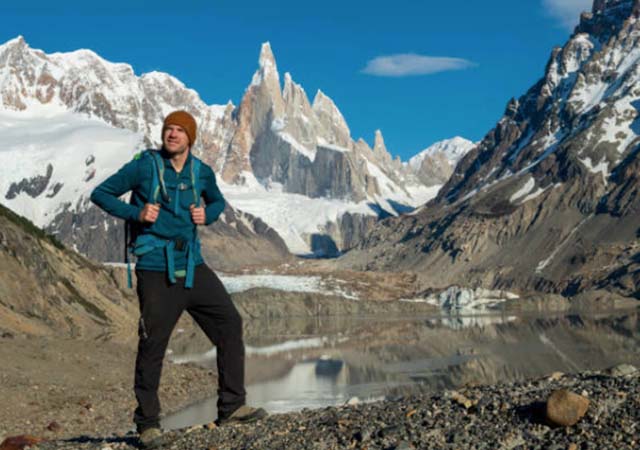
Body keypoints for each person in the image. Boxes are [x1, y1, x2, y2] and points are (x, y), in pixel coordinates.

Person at [91, 110, 266, 449]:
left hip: (193, 265)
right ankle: (147, 424)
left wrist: (209, 214)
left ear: (190, 138)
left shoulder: (201, 172)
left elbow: (216, 202)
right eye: (168, 129)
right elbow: (101, 193)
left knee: (229, 323)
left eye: (179, 130)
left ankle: (231, 406)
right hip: (156, 266)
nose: (172, 135)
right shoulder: (143, 166)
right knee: (153, 342)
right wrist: (136, 213)